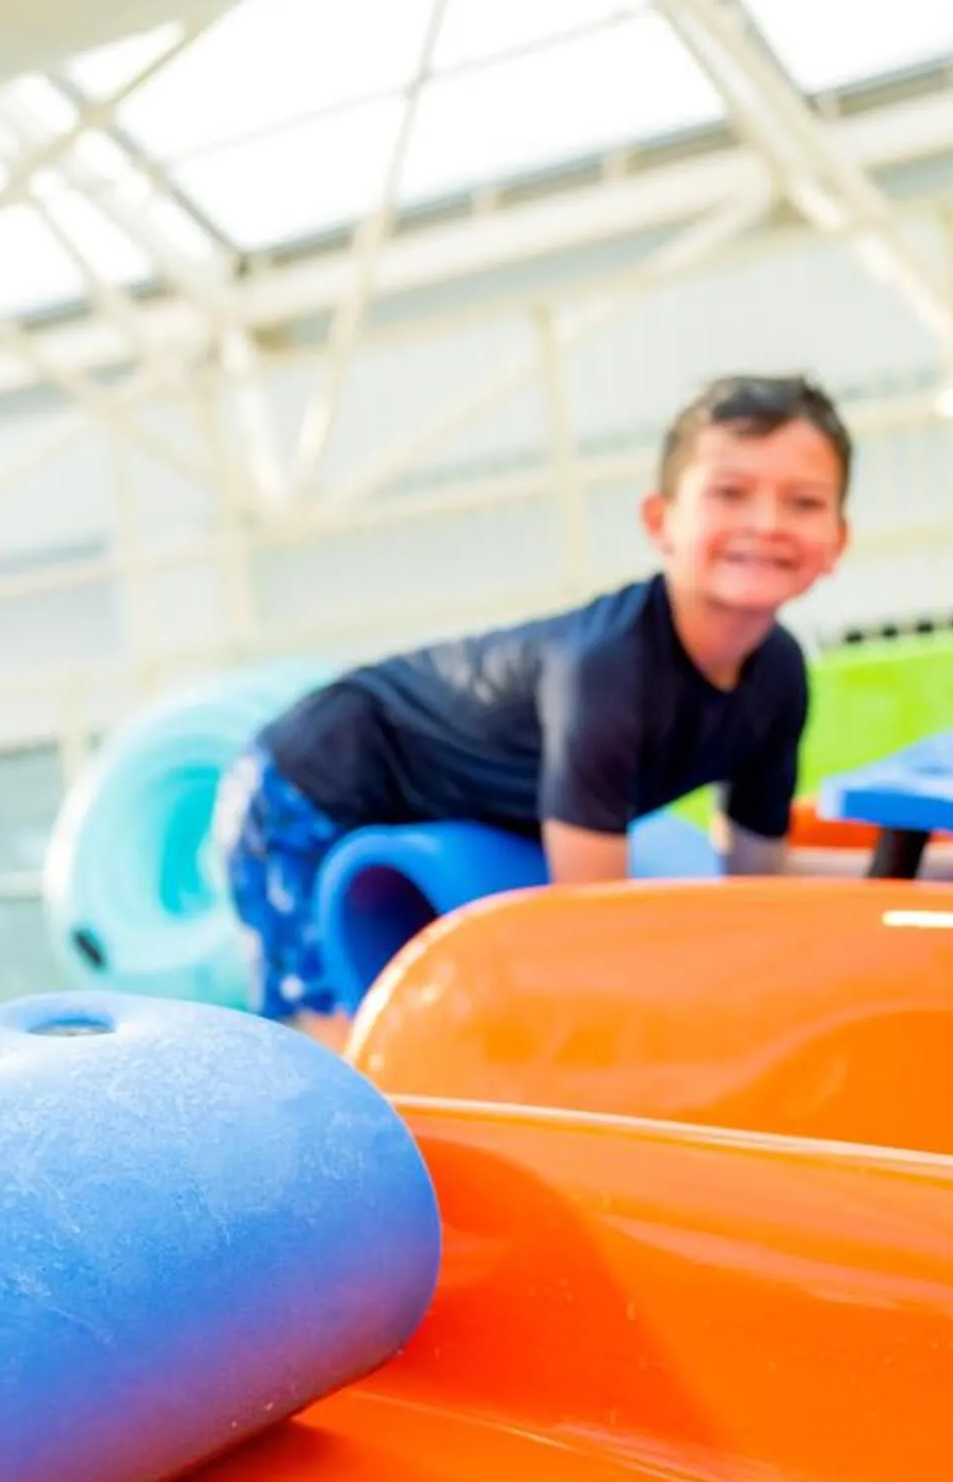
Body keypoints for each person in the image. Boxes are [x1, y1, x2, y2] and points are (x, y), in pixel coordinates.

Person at [219, 373, 854, 1032]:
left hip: (432, 803)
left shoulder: (779, 677)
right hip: (304, 783)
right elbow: (591, 931)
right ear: (659, 521)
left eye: (803, 502)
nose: (766, 524)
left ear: (838, 539)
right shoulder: (607, 671)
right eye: (730, 493)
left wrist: (915, 869)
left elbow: (756, 882)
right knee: (329, 1039)